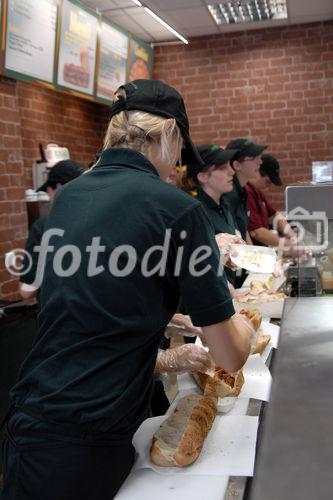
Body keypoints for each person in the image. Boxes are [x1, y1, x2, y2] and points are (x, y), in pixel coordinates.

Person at [1, 80, 253, 500]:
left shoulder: (70, 197)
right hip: (86, 436)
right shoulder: (178, 209)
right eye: (179, 153)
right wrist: (239, 320)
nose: (176, 166)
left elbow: (100, 308)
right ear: (170, 133)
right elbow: (228, 354)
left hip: (36, 419)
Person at [19, 159, 85, 301]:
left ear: (59, 188)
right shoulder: (104, 218)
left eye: (48, 191)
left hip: (59, 316)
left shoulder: (43, 227)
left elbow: (27, 290)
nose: (49, 198)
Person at [181, 144, 243, 286]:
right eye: (222, 168)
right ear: (203, 176)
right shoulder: (195, 212)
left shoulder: (224, 204)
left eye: (230, 165)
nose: (232, 172)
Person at [246, 153, 298, 250]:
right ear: (257, 172)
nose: (269, 186)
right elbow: (256, 232)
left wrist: (292, 235)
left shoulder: (257, 192)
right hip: (254, 252)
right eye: (268, 181)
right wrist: (289, 244)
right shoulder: (247, 193)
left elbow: (274, 215)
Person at [224, 138, 267, 244]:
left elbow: (243, 229)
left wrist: (252, 252)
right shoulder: (229, 195)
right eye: (253, 158)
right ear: (237, 165)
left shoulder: (242, 191)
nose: (260, 162)